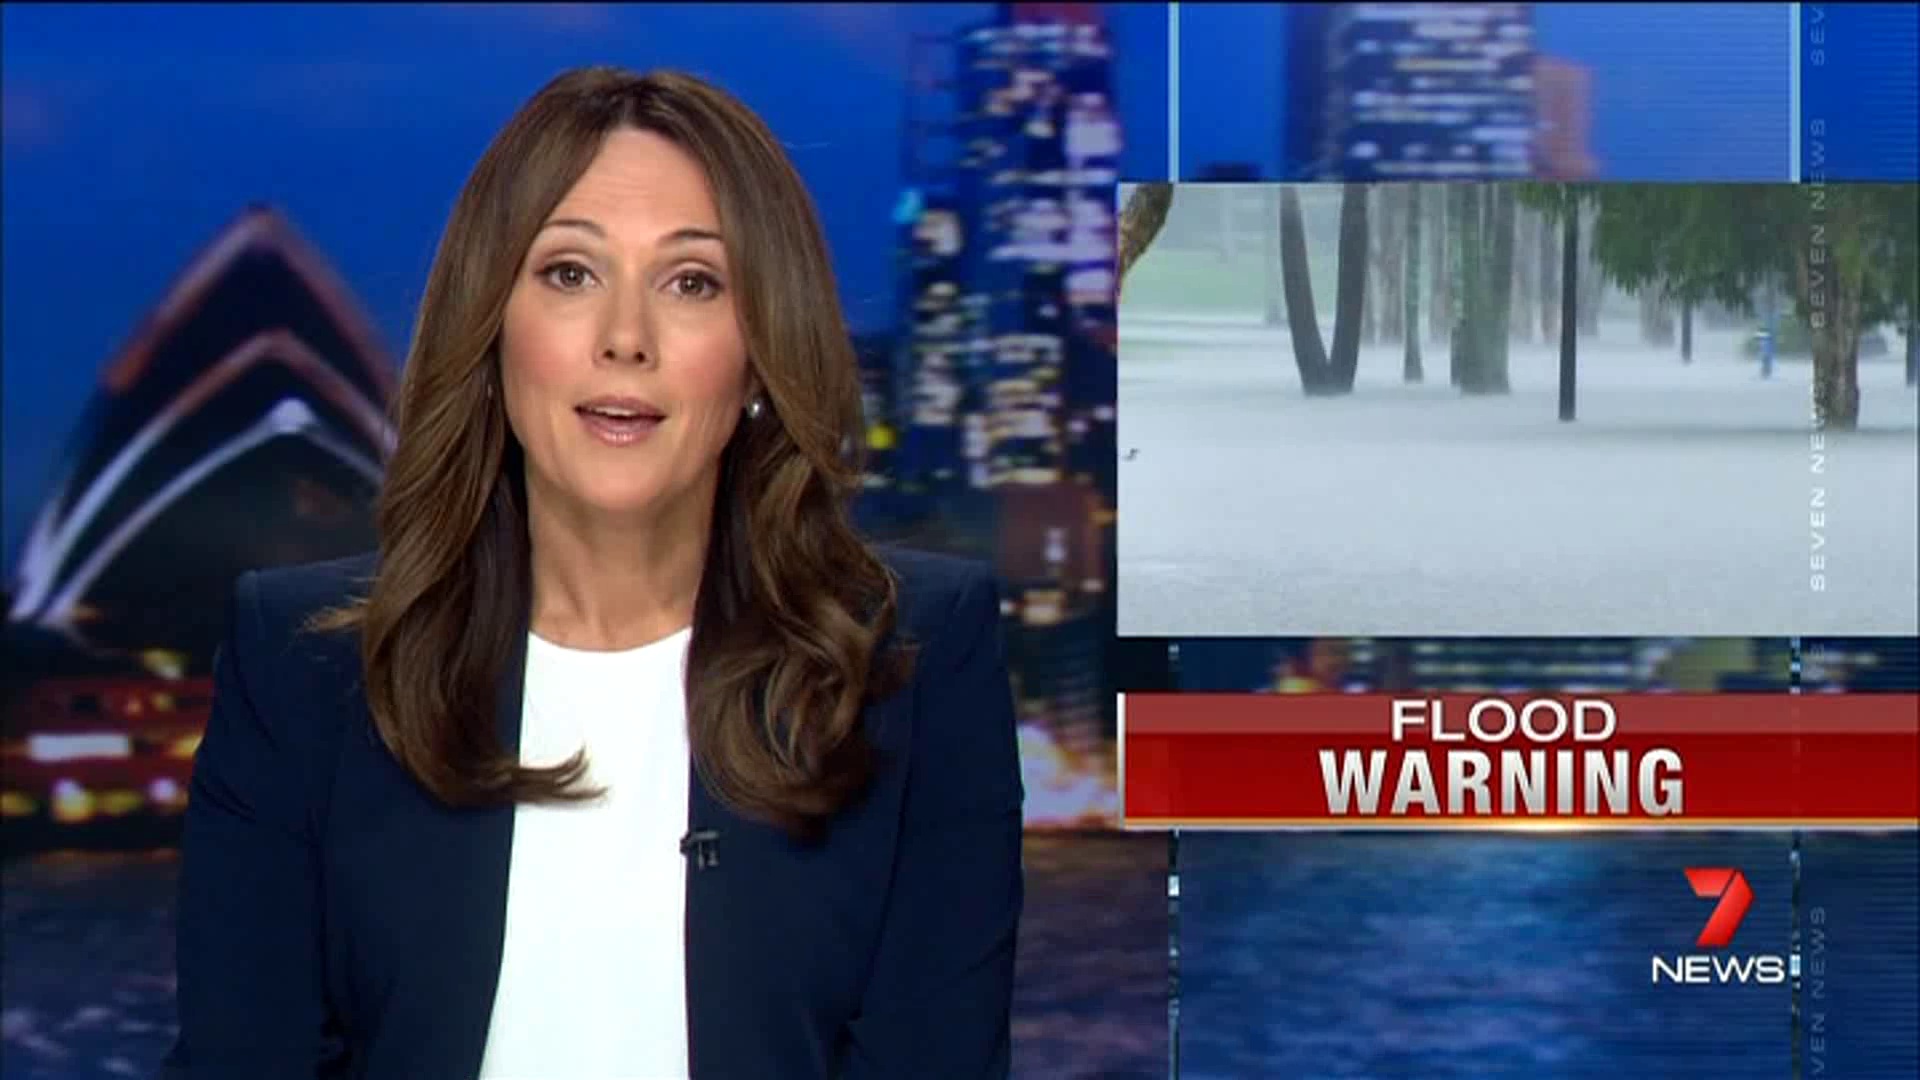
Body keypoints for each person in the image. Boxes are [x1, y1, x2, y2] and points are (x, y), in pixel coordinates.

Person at [162, 66, 1024, 1080]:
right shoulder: (302, 663)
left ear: (759, 349)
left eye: (692, 282)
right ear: (491, 325)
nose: (626, 339)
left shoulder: (914, 658)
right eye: (570, 273)